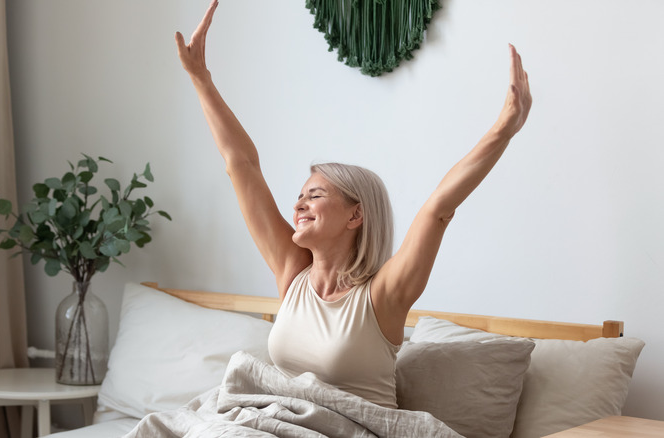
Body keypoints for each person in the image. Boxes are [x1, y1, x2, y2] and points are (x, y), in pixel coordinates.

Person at [175, 0, 532, 409]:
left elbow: (438, 207)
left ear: (355, 215)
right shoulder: (292, 275)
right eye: (300, 196)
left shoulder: (384, 295)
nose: (299, 206)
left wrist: (503, 130)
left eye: (316, 195)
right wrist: (201, 79)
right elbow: (242, 166)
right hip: (281, 423)